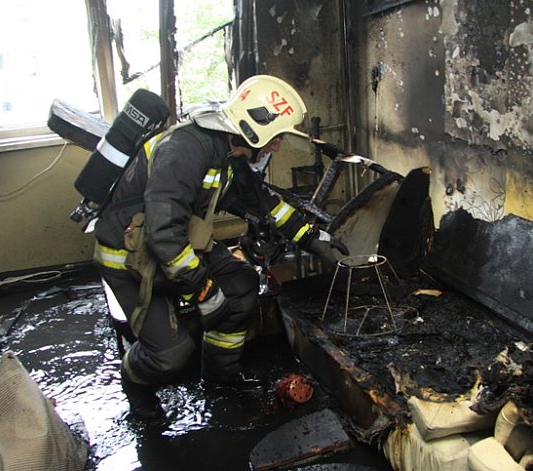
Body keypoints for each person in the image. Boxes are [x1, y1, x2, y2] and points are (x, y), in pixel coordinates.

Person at [92, 75, 349, 423]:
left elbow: (266, 204)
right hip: (130, 260)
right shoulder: (185, 149)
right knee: (170, 353)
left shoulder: (229, 152)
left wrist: (314, 238)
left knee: (241, 286)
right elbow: (163, 235)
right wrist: (204, 290)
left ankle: (219, 372)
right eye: (275, 139)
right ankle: (135, 385)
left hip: (175, 247)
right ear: (252, 128)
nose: (276, 148)